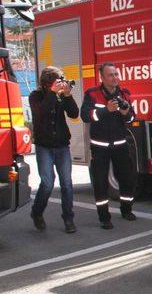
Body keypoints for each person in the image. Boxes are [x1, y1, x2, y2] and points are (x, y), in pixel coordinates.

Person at [80, 62, 137, 230]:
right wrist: (106, 110)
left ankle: (126, 210)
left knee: (127, 179)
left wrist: (126, 114)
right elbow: (85, 116)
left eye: (116, 74)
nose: (115, 78)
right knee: (100, 183)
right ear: (102, 77)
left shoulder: (124, 94)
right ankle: (104, 217)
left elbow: (132, 119)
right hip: (100, 146)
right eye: (110, 75)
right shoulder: (92, 94)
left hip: (120, 144)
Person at [29, 66, 79, 233]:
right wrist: (52, 93)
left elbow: (73, 113)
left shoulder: (60, 96)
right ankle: (37, 212)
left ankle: (68, 218)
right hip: (44, 146)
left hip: (62, 145)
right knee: (48, 183)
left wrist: (67, 95)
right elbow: (40, 112)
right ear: (48, 82)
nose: (60, 83)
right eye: (57, 80)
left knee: (66, 183)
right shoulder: (35, 96)